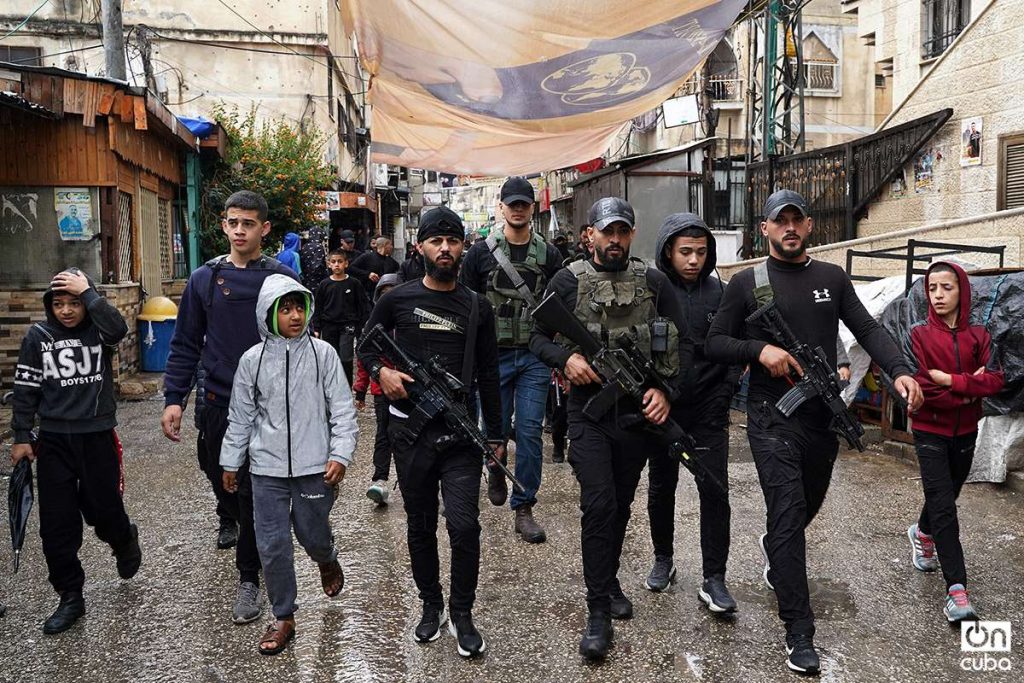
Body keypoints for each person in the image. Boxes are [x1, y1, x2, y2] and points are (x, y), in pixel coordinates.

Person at [705, 189, 923, 675]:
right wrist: (758, 352)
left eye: (796, 220)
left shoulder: (832, 277)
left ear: (808, 227)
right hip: (769, 418)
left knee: (804, 508)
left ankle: (776, 553)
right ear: (764, 228)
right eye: (779, 220)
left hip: (820, 417)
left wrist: (900, 370)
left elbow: (868, 330)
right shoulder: (746, 283)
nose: (789, 228)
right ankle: (799, 632)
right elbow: (715, 342)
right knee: (788, 513)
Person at [530, 197, 687, 660]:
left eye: (623, 231)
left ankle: (609, 578)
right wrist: (566, 358)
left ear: (631, 235)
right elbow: (536, 335)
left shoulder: (654, 282)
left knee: (618, 505)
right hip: (588, 413)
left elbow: (687, 342)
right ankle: (597, 610)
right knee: (599, 504)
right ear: (590, 235)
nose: (615, 240)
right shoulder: (567, 280)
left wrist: (668, 393)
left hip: (636, 414)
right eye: (607, 231)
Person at [357, 206, 503, 659]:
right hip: (410, 433)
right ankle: (430, 605)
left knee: (464, 525)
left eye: (453, 241)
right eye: (436, 241)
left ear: (463, 247)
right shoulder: (396, 299)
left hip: (459, 434)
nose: (445, 248)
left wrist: (496, 436)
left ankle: (462, 613)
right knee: (419, 526)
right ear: (419, 247)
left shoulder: (477, 306)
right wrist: (382, 372)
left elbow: (489, 373)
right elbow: (365, 345)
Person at [160, 190, 298, 626]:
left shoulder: (278, 279)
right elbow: (185, 343)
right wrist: (173, 399)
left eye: (249, 224)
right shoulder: (204, 279)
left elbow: (300, 343)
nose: (240, 230)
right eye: (233, 223)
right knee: (219, 473)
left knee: (254, 493)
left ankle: (249, 578)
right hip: (218, 399)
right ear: (223, 225)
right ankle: (229, 514)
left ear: (264, 229)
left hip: (266, 406)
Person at [220, 275, 357, 655]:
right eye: (286, 309)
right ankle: (284, 616)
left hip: (315, 466)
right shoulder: (252, 360)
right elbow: (241, 416)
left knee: (311, 532)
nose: (294, 316)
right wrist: (231, 461)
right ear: (269, 313)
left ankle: (326, 558)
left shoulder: (323, 354)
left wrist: (340, 454)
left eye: (300, 307)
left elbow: (343, 411)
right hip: (267, 468)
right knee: (272, 543)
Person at [11, 268, 141, 635]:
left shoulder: (99, 332)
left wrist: (90, 293)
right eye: (59, 303)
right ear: (49, 306)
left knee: (104, 511)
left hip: (97, 438)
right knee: (57, 524)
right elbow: (25, 389)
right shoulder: (38, 337)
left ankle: (123, 538)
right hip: (53, 442)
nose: (67, 310)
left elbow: (118, 329)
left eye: (75, 302)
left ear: (86, 301)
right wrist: (22, 436)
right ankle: (70, 596)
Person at [459, 176, 564, 543]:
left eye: (524, 203)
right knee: (493, 430)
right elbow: (466, 305)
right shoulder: (480, 253)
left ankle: (524, 506)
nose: (518, 209)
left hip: (534, 355)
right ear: (501, 208)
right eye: (512, 203)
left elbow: (562, 304)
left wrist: (560, 351)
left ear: (532, 208)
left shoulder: (549, 255)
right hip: (494, 356)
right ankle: (495, 466)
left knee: (531, 431)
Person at [647, 213, 738, 612]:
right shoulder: (651, 291)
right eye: (685, 251)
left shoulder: (722, 294)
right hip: (664, 411)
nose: (693, 260)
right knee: (660, 487)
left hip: (709, 411)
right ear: (669, 251)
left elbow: (738, 347)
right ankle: (663, 558)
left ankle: (714, 577)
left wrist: (725, 395)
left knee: (715, 492)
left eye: (701, 252)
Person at [906, 261, 1004, 622]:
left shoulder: (980, 334)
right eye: (932, 288)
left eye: (946, 287)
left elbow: (995, 380)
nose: (938, 295)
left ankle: (923, 531)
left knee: (947, 493)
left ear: (962, 290)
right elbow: (921, 386)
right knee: (944, 503)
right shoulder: (918, 334)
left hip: (966, 431)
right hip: (929, 429)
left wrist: (949, 380)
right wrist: (967, 388)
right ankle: (957, 592)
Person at [353, 273, 402, 506]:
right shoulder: (373, 327)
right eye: (384, 294)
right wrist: (360, 390)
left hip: (409, 390)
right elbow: (364, 359)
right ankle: (380, 479)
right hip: (381, 391)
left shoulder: (408, 323)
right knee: (384, 435)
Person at [311, 248, 369, 386]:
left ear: (346, 264)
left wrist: (361, 327)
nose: (337, 265)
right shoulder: (325, 284)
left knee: (346, 357)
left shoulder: (354, 284)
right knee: (331, 356)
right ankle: (331, 386)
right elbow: (318, 306)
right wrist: (317, 327)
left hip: (348, 325)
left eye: (340, 261)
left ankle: (346, 386)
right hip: (329, 325)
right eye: (333, 262)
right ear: (328, 264)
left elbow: (362, 306)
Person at [348, 237, 400, 302]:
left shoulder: (391, 261)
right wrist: (368, 274)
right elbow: (351, 268)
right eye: (390, 244)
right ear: (384, 245)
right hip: (368, 294)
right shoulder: (367, 256)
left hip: (385, 295)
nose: (392, 247)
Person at [299, 226, 329, 293]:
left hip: (306, 281)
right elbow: (317, 267)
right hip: (316, 282)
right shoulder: (318, 247)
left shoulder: (304, 246)